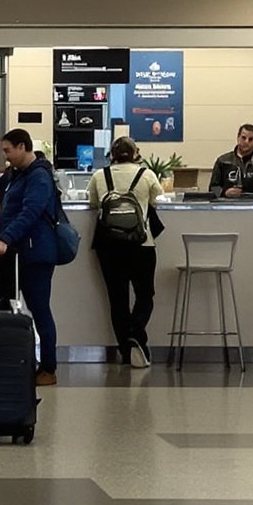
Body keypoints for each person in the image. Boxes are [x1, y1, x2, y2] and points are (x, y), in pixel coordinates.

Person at [0, 129, 63, 387]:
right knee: (8, 306)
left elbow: (30, 212)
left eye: (8, 150)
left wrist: (5, 238)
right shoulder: (16, 175)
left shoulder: (39, 176)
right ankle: (20, 361)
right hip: (15, 253)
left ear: (22, 146)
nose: (6, 156)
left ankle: (48, 367)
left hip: (35, 253)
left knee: (40, 310)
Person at [91, 137, 164, 369]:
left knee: (117, 299)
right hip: (141, 244)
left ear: (112, 154)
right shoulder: (147, 174)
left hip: (108, 245)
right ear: (135, 153)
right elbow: (157, 199)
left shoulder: (99, 175)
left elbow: (93, 203)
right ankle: (137, 334)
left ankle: (126, 350)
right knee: (145, 295)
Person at [211, 124, 253, 200]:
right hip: (228, 206)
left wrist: (251, 195)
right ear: (238, 138)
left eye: (250, 139)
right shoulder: (223, 161)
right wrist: (224, 192)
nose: (246, 142)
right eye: (243, 138)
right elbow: (213, 188)